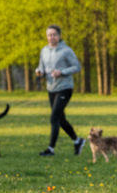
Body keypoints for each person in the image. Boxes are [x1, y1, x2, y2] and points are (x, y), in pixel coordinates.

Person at [35, 25, 85, 157]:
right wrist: (39, 71)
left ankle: (50, 149)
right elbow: (42, 67)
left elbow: (77, 67)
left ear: (59, 36)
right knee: (60, 119)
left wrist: (61, 72)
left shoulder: (66, 51)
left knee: (54, 118)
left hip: (65, 88)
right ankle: (78, 141)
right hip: (51, 88)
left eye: (54, 34)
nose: (51, 37)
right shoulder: (44, 51)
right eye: (49, 35)